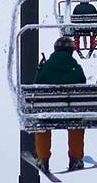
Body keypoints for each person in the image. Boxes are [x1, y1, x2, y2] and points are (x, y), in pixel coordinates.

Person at [32, 34, 86, 173]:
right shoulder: (76, 68)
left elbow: (36, 84)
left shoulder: (45, 67)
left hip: (48, 112)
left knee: (42, 123)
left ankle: (42, 158)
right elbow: (82, 84)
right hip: (71, 113)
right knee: (76, 123)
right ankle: (76, 158)